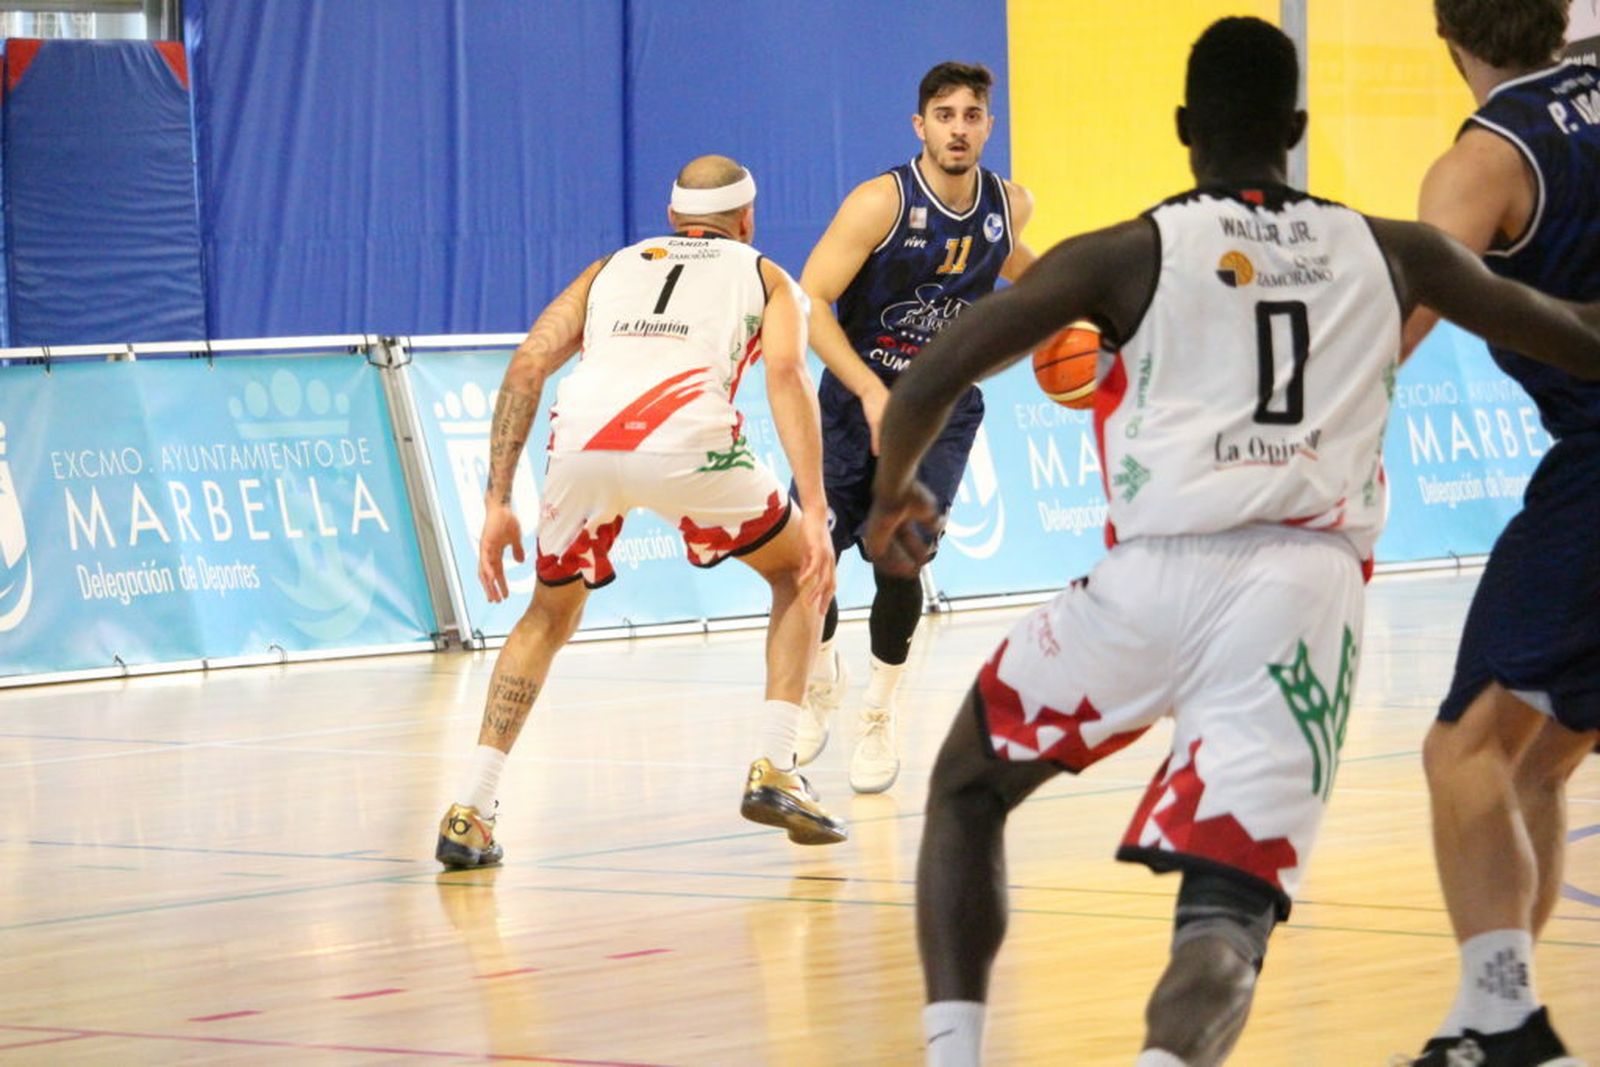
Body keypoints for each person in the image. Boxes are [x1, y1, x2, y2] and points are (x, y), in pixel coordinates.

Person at [861, 18, 1600, 1067]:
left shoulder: (1121, 252)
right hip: (1302, 595)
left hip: (1147, 578)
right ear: (1297, 127)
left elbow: (933, 373)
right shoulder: (1400, 250)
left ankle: (952, 1052)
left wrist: (894, 493)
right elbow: (1575, 339)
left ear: (1180, 129)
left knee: (968, 784)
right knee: (1227, 908)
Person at [434, 156, 847, 869]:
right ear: (747, 220)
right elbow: (785, 375)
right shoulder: (767, 275)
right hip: (688, 436)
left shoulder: (608, 268)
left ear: (673, 218)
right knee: (798, 575)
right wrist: (814, 507)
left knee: (546, 616)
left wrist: (498, 500)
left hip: (583, 442)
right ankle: (776, 764)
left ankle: (471, 808)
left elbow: (530, 363)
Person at [1398, 2, 1600, 1062]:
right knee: (1529, 763)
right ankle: (1482, 1024)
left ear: (1447, 30)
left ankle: (1511, 1026)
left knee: (1461, 747)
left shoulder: (1488, 155)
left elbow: (1391, 326)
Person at [796, 61, 1036, 794]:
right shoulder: (880, 202)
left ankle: (880, 709)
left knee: (900, 559)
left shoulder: (1009, 205)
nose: (959, 128)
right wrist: (869, 389)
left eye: (972, 115)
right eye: (945, 114)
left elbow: (1033, 280)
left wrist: (1061, 329)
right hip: (854, 401)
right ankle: (820, 670)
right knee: (811, 556)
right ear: (920, 125)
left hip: (938, 410)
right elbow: (811, 299)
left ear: (988, 126)